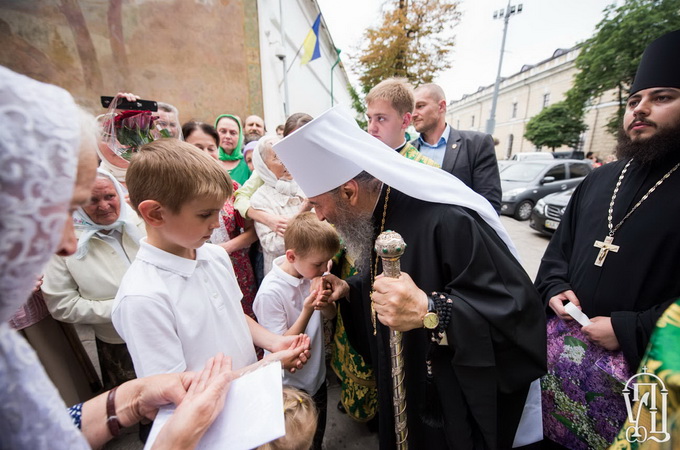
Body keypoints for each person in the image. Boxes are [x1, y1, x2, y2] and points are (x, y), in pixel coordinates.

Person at [274, 105, 546, 449]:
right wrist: (349, 290)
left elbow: (519, 317)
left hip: (447, 408)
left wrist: (431, 311)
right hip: (400, 390)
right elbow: (383, 289)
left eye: (317, 203)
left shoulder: (449, 220)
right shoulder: (375, 213)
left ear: (348, 191)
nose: (319, 216)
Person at [0, 65, 237, 449]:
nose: (67, 244)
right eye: (61, 210)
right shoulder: (143, 293)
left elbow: (54, 427)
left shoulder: (203, 255)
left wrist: (129, 401)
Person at [535, 29, 680, 447]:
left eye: (662, 97)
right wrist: (556, 288)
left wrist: (629, 328)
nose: (641, 109)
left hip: (646, 381)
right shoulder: (598, 180)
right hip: (563, 375)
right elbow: (557, 252)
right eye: (634, 101)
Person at [111, 139, 311, 379]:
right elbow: (174, 392)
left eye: (218, 211)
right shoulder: (143, 297)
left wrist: (274, 342)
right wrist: (267, 365)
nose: (216, 223)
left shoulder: (215, 255)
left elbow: (235, 316)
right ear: (155, 214)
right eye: (205, 214)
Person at [42, 168, 144, 390]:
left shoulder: (141, 219)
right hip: (118, 340)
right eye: (92, 200)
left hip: (166, 325)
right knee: (138, 404)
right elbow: (62, 305)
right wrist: (120, 308)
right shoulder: (63, 241)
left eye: (110, 196)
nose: (104, 206)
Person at [253, 212, 340, 449]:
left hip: (316, 377)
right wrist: (307, 310)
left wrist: (327, 303)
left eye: (327, 262)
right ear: (291, 256)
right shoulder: (271, 292)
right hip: (289, 386)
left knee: (316, 436)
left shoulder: (310, 272)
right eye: (319, 264)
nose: (324, 269)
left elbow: (331, 316)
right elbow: (280, 346)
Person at [184, 121, 259, 318]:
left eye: (211, 148)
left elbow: (252, 233)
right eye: (198, 147)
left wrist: (224, 249)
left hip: (237, 269)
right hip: (195, 270)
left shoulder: (232, 187)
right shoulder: (177, 191)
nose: (206, 153)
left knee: (244, 320)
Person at [412, 83, 502, 212]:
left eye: (420, 106)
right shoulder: (408, 150)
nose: (413, 114)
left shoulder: (477, 144)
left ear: (441, 106)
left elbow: (489, 205)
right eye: (411, 109)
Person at [250, 136, 306, 275]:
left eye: (286, 154)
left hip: (312, 271)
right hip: (283, 274)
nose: (286, 160)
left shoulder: (303, 185)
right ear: (263, 165)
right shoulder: (260, 198)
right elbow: (271, 244)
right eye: (277, 157)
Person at [366, 78, 438, 167]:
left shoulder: (426, 169)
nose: (371, 128)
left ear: (405, 121)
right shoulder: (360, 160)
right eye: (369, 118)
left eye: (381, 119)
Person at [214, 114, 252, 185]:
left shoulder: (248, 162)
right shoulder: (209, 161)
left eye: (233, 133)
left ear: (240, 136)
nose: (228, 136)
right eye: (223, 131)